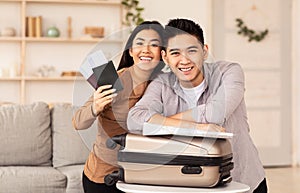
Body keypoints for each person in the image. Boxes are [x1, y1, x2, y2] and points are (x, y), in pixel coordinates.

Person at [127, 18, 267, 193]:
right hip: (193, 183)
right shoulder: (161, 84)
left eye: (192, 51)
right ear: (165, 57)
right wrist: (194, 126)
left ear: (204, 51)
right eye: (175, 53)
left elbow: (215, 114)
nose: (184, 60)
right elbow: (134, 120)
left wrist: (161, 122)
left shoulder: (229, 72)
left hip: (242, 181)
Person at [72, 21, 165, 193]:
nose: (146, 50)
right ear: (131, 51)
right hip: (105, 177)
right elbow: (78, 122)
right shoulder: (115, 81)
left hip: (143, 176)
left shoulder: (163, 83)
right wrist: (95, 106)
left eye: (154, 45)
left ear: (162, 53)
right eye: (139, 43)